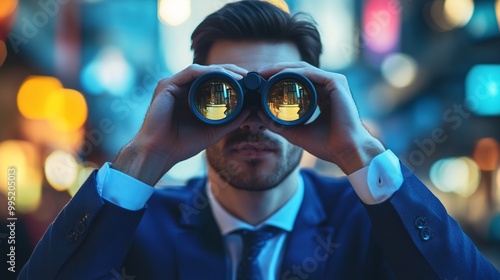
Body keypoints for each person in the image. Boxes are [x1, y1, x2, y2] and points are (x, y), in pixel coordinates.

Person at [19, 1, 500, 279]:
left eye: (285, 95)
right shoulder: (139, 227)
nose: (253, 121)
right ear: (189, 99)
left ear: (321, 98)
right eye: (220, 97)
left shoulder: (371, 221)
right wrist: (145, 156)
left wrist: (362, 151)